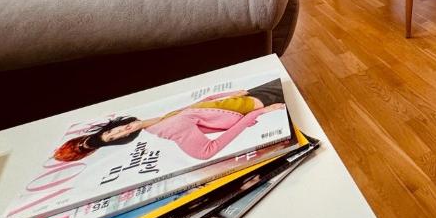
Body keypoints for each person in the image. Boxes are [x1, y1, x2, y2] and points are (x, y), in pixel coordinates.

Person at [54, 80, 286, 162]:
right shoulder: (165, 129)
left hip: (247, 96)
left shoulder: (158, 120)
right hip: (257, 104)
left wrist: (226, 94)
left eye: (113, 130)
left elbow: (196, 106)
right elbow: (206, 151)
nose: (122, 130)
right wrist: (255, 116)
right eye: (117, 137)